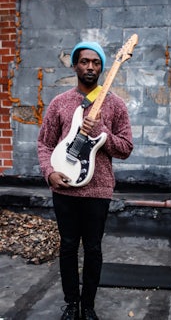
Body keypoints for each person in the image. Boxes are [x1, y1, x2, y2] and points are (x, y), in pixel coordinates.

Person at [37, 41, 133, 320]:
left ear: (103, 67)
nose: (90, 67)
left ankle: (88, 305)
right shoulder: (60, 103)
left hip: (99, 189)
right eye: (84, 61)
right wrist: (49, 173)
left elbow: (126, 147)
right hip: (64, 186)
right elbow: (44, 143)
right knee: (67, 247)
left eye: (95, 62)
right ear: (75, 65)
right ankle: (71, 304)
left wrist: (102, 129)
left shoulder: (115, 104)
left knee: (92, 249)